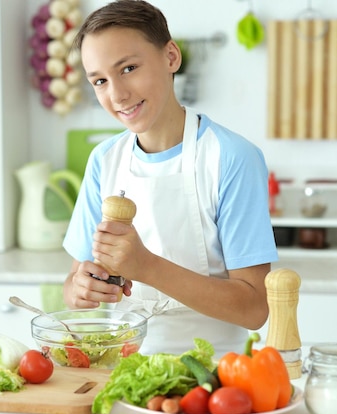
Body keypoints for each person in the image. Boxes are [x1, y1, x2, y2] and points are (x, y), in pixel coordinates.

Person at [61, 0, 278, 356]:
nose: (117, 94)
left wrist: (146, 267)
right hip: (123, 370)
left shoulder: (231, 158)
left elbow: (254, 309)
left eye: (129, 68)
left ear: (171, 57)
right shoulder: (104, 160)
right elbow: (71, 285)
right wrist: (81, 289)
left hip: (213, 376)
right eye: (100, 81)